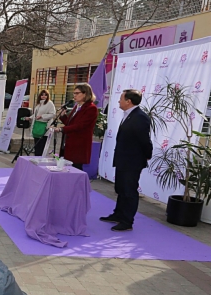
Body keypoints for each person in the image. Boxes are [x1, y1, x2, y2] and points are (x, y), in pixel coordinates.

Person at [102, 89, 153, 232]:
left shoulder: (140, 117)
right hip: (123, 159)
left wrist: (148, 154)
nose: (119, 101)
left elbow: (145, 140)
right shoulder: (129, 115)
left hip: (132, 161)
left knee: (129, 191)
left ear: (128, 101)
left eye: (121, 98)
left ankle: (127, 220)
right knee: (121, 189)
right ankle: (118, 214)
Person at [53, 83, 98, 170]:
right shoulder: (77, 106)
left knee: (75, 169)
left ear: (85, 94)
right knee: (67, 169)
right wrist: (63, 116)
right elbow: (70, 123)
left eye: (77, 93)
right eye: (74, 93)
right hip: (69, 143)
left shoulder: (91, 108)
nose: (74, 95)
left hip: (79, 145)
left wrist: (61, 129)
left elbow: (80, 126)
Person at [31, 89, 57, 157]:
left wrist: (42, 116)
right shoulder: (39, 104)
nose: (43, 96)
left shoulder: (50, 103)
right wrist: (30, 118)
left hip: (44, 126)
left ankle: (40, 158)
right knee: (36, 145)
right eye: (42, 95)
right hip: (37, 126)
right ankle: (36, 158)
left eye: (45, 95)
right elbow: (36, 114)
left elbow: (53, 114)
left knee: (42, 145)